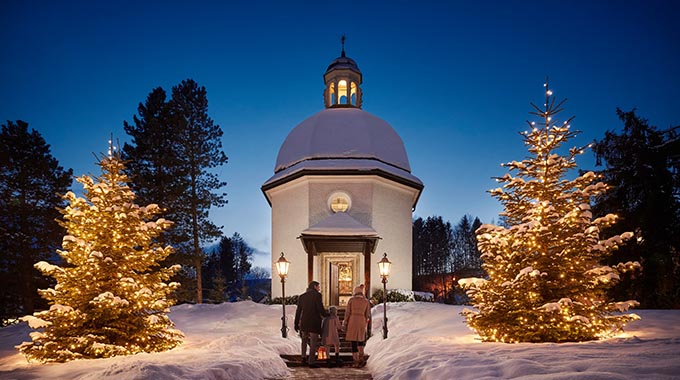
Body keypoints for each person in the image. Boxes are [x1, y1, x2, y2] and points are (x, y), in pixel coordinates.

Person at [294, 281, 327, 368]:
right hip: (314, 322)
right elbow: (320, 308)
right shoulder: (317, 295)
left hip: (304, 322)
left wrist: (296, 323)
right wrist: (327, 315)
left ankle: (303, 358)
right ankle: (311, 362)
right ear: (315, 286)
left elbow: (298, 311)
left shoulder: (302, 296)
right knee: (313, 342)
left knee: (304, 341)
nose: (319, 288)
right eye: (318, 286)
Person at [343, 285, 371, 367]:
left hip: (352, 320)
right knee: (361, 339)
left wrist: (345, 322)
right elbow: (367, 314)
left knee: (353, 341)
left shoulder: (351, 300)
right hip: (361, 320)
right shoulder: (366, 301)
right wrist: (365, 321)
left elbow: (347, 312)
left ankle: (356, 360)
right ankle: (361, 357)